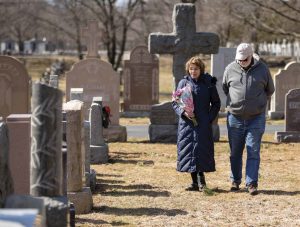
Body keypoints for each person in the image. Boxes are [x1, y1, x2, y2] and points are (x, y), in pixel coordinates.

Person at [222, 43, 275, 195]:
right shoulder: (230, 69)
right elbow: (226, 87)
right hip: (235, 117)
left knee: (253, 150)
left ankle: (251, 183)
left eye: (244, 59)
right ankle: (235, 181)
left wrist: (257, 103)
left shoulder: (263, 69)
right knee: (235, 152)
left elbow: (270, 90)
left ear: (251, 56)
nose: (241, 62)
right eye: (239, 59)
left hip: (256, 118)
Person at [172, 56, 221, 191]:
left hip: (203, 123)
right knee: (189, 151)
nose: (193, 71)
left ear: (201, 69)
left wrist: (209, 118)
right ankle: (194, 182)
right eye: (191, 69)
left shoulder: (208, 83)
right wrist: (183, 113)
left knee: (201, 150)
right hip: (187, 124)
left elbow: (216, 103)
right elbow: (175, 102)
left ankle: (202, 182)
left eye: (196, 69)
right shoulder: (183, 83)